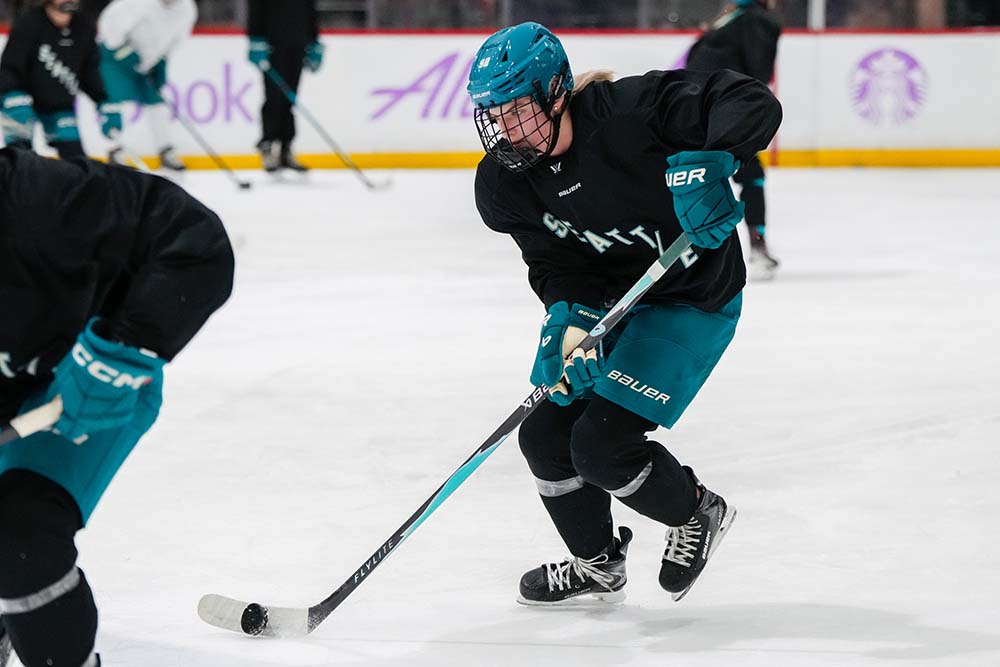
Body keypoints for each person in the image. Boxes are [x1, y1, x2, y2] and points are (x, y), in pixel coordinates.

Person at [468, 22, 781, 606]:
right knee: (542, 436)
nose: (504, 131)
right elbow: (552, 262)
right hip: (615, 304)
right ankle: (598, 566)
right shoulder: (506, 186)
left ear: (556, 92)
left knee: (601, 447)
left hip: (691, 297)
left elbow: (748, 100)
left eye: (516, 111)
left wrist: (710, 156)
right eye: (493, 115)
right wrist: (568, 320)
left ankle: (697, 512)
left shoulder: (631, 114)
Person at [0, 147, 234, 665]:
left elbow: (197, 244)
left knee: (20, 537)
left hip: (89, 379)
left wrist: (115, 357)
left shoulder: (35, 199)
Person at [686, 0, 782, 279]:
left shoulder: (728, 20)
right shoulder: (758, 20)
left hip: (694, 108)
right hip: (722, 109)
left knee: (697, 177)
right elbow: (758, 73)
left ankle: (692, 252)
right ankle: (757, 246)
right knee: (751, 176)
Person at [0, 0, 121, 158]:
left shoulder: (84, 27)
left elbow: (89, 72)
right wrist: (12, 94)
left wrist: (103, 100)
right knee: (20, 157)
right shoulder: (29, 22)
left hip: (59, 105)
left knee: (76, 159)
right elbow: (9, 66)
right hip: (21, 101)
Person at [96, 0, 197, 170]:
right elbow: (108, 29)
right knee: (117, 101)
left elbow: (177, 40)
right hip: (114, 57)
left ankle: (165, 149)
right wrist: (127, 55)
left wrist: (161, 62)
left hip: (148, 63)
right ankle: (116, 148)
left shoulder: (187, 8)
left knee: (156, 102)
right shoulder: (138, 3)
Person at [247, 0, 322, 173]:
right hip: (273, 45)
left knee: (290, 99)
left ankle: (286, 148)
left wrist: (314, 41)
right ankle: (268, 143)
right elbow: (256, 8)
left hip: (298, 44)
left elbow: (311, 10)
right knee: (274, 97)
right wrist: (255, 38)